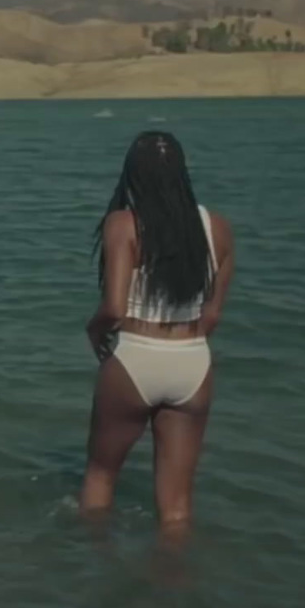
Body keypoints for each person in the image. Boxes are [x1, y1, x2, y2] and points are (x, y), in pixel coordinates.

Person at [80, 131, 234, 531]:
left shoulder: (124, 224)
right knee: (178, 506)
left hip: (136, 357)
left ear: (133, 174)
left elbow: (114, 307)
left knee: (101, 475)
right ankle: (173, 585)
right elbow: (212, 315)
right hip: (193, 361)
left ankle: (94, 578)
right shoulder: (216, 227)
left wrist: (94, 332)